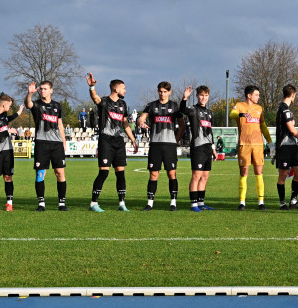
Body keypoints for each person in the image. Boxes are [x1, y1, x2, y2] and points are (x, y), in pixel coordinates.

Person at [87, 74, 138, 211]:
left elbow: (125, 122)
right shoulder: (104, 102)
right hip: (106, 140)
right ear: (116, 89)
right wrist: (92, 86)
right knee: (104, 172)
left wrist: (133, 139)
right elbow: (95, 97)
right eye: (123, 88)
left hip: (119, 141)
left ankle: (122, 203)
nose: (125, 91)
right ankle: (93, 203)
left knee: (120, 173)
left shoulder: (123, 104)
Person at [138, 81, 183, 211]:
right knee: (153, 175)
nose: (162, 94)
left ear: (169, 92)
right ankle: (150, 203)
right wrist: (141, 122)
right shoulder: (151, 106)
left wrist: (176, 140)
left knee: (172, 174)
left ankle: (173, 202)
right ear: (158, 91)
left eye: (165, 92)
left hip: (169, 145)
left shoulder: (174, 106)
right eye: (160, 91)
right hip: (155, 145)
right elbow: (142, 118)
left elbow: (182, 125)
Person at [26, 80, 69, 211]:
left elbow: (60, 124)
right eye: (41, 89)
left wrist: (64, 142)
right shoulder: (37, 104)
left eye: (45, 89)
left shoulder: (57, 105)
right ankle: (41, 203)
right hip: (41, 143)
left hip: (56, 144)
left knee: (60, 173)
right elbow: (28, 104)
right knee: (40, 173)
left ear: (51, 90)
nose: (42, 91)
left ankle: (62, 203)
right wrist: (29, 94)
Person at [231, 85, 272, 211]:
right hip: (244, 144)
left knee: (259, 173)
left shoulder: (259, 108)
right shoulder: (239, 106)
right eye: (256, 95)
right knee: (244, 173)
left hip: (258, 145)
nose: (258, 97)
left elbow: (263, 126)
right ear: (249, 95)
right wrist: (242, 114)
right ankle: (242, 202)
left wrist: (270, 143)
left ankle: (261, 202)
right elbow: (232, 114)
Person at [179, 85, 216, 212]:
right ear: (197, 96)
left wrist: (214, 149)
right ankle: (193, 204)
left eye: (206, 95)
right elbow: (182, 109)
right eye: (201, 95)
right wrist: (184, 98)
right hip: (197, 146)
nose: (203, 98)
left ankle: (201, 203)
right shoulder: (193, 110)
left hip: (207, 148)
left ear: (208, 96)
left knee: (205, 176)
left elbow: (210, 133)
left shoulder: (210, 113)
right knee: (196, 175)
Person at [275, 84, 298, 210]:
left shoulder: (286, 109)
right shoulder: (284, 109)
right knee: (283, 175)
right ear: (293, 95)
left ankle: (293, 201)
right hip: (284, 147)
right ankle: (282, 203)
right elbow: (292, 129)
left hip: (292, 146)